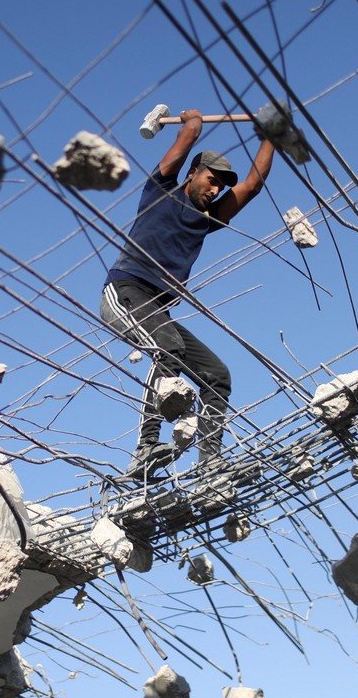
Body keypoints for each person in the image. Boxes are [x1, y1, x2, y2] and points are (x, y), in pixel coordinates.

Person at [101, 108, 276, 480]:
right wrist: (192, 121)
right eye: (211, 180)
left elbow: (252, 185)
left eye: (219, 187)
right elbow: (187, 137)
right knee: (168, 347)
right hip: (124, 290)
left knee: (217, 374)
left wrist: (270, 135)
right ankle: (146, 446)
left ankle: (210, 463)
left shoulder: (208, 217)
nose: (214, 190)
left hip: (157, 310)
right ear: (194, 173)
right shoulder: (159, 189)